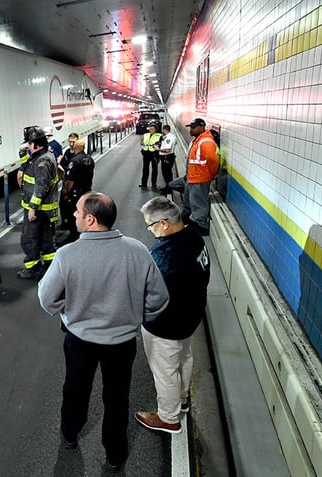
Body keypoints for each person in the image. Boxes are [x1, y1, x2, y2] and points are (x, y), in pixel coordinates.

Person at [38, 192, 169, 473]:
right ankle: (114, 455)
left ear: (90, 218)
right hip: (122, 343)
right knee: (117, 396)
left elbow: (47, 299)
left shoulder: (67, 255)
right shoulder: (138, 251)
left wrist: (68, 310)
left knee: (75, 390)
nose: (73, 215)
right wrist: (135, 316)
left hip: (80, 341)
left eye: (77, 211)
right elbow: (159, 299)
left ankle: (71, 434)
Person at [135, 196, 210, 434]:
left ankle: (168, 418)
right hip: (191, 315)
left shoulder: (163, 255)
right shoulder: (194, 237)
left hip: (165, 325)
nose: (150, 230)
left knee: (165, 371)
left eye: (151, 225)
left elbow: (148, 294)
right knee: (184, 358)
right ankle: (183, 399)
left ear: (164, 223)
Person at [18, 125, 60, 280]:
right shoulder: (41, 156)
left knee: (30, 239)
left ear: (36, 143)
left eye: (29, 143)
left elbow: (41, 187)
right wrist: (22, 152)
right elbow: (27, 164)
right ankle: (50, 267)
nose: (28, 145)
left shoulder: (43, 161)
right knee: (46, 238)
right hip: (44, 210)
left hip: (39, 210)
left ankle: (34, 268)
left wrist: (32, 208)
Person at [182, 118, 219, 235]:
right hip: (193, 177)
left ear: (202, 127)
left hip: (200, 178)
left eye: (193, 127)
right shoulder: (198, 140)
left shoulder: (206, 141)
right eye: (191, 127)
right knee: (194, 202)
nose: (191, 129)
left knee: (199, 204)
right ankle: (195, 221)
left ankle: (201, 227)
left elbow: (212, 160)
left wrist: (213, 174)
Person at [58, 139, 94, 245]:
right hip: (87, 191)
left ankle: (73, 235)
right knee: (85, 213)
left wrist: (66, 193)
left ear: (77, 147)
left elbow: (70, 180)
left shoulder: (74, 161)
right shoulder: (90, 160)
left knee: (73, 214)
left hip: (75, 193)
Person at [57, 132, 80, 230]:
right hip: (65, 182)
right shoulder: (67, 152)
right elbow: (61, 165)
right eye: (70, 142)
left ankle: (74, 226)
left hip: (74, 184)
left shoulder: (78, 155)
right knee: (62, 204)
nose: (71, 144)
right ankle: (65, 223)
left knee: (73, 206)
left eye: (73, 142)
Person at [139, 123, 163, 189]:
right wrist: (142, 142)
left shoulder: (159, 136)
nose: (151, 130)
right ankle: (144, 183)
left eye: (152, 129)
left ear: (155, 129)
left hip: (154, 154)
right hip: (146, 153)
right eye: (150, 129)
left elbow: (163, 144)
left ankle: (153, 183)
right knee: (145, 169)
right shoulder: (145, 135)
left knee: (154, 169)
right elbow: (141, 142)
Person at [157, 124, 177, 195]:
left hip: (167, 157)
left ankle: (169, 189)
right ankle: (167, 187)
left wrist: (158, 149)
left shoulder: (168, 138)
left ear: (164, 130)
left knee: (167, 174)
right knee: (168, 173)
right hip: (168, 157)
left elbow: (168, 150)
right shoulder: (173, 136)